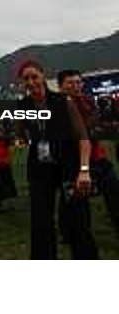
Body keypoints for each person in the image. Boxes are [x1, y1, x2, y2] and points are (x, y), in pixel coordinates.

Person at [16, 60, 98, 259]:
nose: (31, 82)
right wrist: (20, 138)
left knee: (78, 219)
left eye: (34, 76)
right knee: (40, 221)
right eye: (26, 78)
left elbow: (83, 138)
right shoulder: (23, 105)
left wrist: (84, 169)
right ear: (21, 82)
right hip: (40, 167)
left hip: (69, 164)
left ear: (43, 76)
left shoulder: (63, 101)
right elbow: (20, 133)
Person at [57, 69, 119, 238]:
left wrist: (104, 122)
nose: (75, 86)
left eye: (78, 82)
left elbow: (97, 126)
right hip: (72, 159)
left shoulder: (88, 101)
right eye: (70, 83)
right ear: (60, 86)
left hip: (96, 155)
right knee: (72, 197)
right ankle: (68, 232)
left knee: (112, 188)